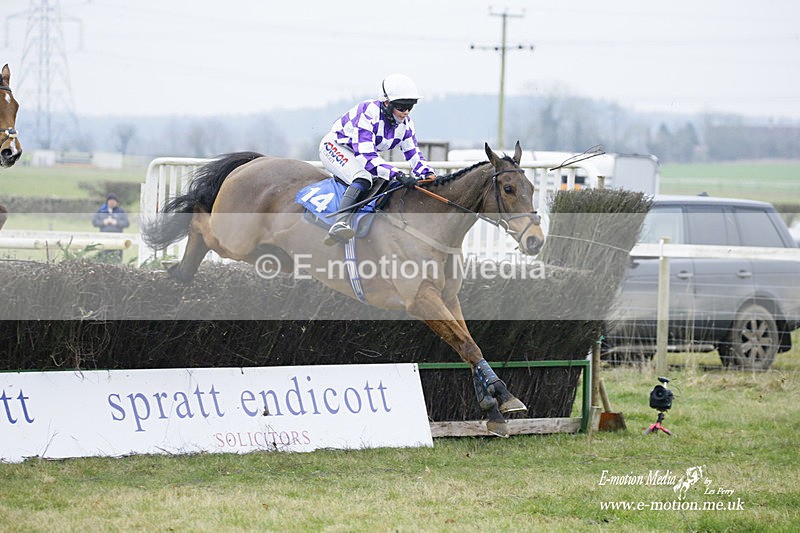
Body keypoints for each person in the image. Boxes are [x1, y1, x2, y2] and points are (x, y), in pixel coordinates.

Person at [319, 73, 436, 245]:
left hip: (360, 152)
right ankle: (339, 223)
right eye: (402, 107)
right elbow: (367, 159)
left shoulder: (406, 124)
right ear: (387, 103)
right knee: (363, 177)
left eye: (410, 106)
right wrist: (398, 174)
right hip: (336, 147)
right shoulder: (367, 113)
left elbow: (414, 154)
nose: (406, 112)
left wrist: (429, 174)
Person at [92, 193, 130, 261]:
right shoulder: (101, 211)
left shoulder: (121, 212)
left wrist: (116, 223)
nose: (112, 203)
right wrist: (103, 222)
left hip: (118, 239)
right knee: (104, 258)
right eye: (110, 201)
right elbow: (94, 222)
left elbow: (126, 223)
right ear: (107, 202)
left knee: (117, 258)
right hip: (104, 239)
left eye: (114, 201)